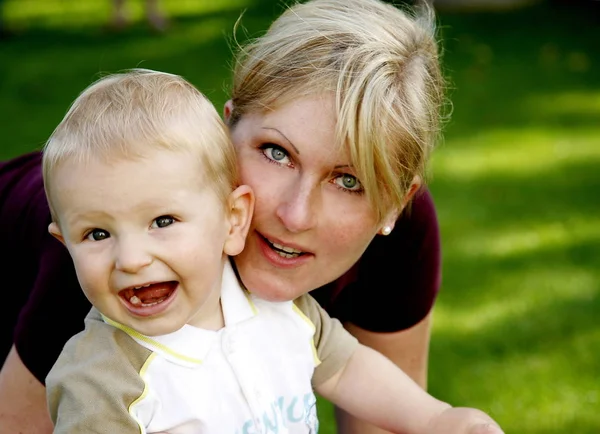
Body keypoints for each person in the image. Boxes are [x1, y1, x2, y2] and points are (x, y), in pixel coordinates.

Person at [0, 0, 455, 432]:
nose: (295, 216)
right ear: (227, 128)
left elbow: (389, 413)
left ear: (396, 201)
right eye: (276, 152)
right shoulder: (115, 248)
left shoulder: (399, 240)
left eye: (348, 181)